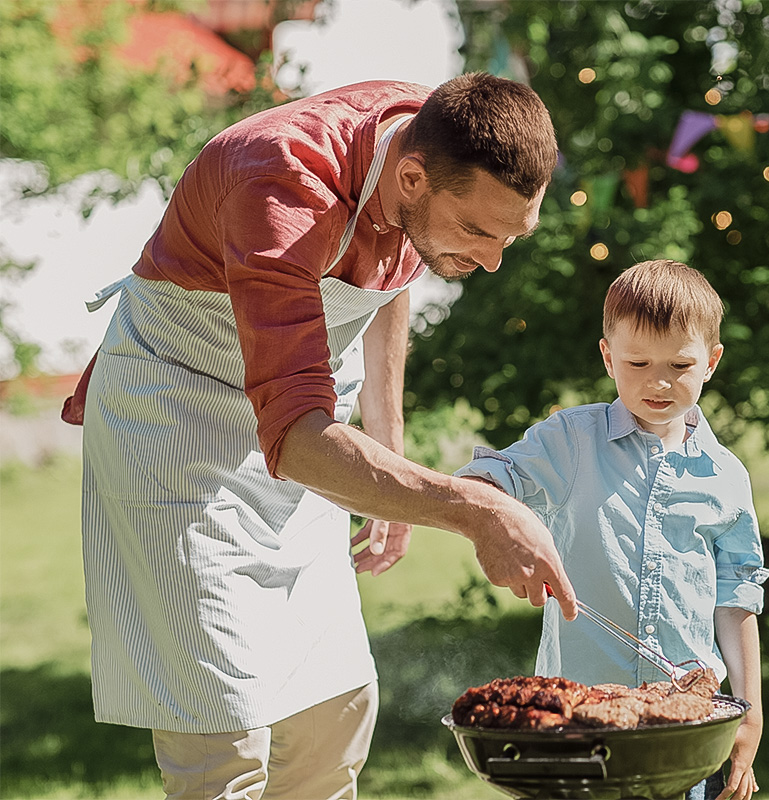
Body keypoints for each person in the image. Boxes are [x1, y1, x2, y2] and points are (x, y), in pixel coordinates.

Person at [61, 73, 579, 799]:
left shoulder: (431, 142)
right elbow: (299, 441)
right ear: (410, 175)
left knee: (334, 715)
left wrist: (388, 464)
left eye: (511, 236)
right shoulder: (280, 183)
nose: (493, 260)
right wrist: (476, 509)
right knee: (224, 734)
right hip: (177, 421)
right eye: (478, 232)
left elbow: (396, 268)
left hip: (302, 418)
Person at [455, 259, 769, 800]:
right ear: (608, 356)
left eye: (679, 363)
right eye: (638, 361)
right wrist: (494, 514)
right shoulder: (571, 440)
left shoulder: (727, 477)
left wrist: (749, 714)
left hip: (686, 733)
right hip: (578, 730)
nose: (659, 381)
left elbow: (736, 599)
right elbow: (492, 479)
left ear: (711, 362)